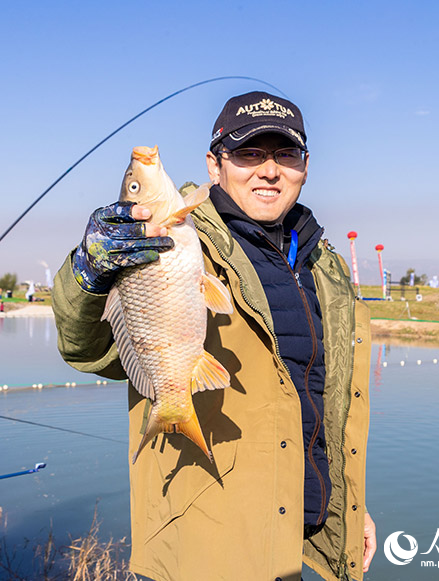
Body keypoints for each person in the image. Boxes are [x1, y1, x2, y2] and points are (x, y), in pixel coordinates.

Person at [52, 91, 375, 581]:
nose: (269, 170)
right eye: (248, 154)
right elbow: (86, 348)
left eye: (285, 154)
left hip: (302, 535)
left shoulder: (321, 263)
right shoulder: (160, 241)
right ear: (214, 164)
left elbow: (321, 399)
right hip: (211, 544)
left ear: (305, 166)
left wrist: (348, 507)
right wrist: (87, 272)